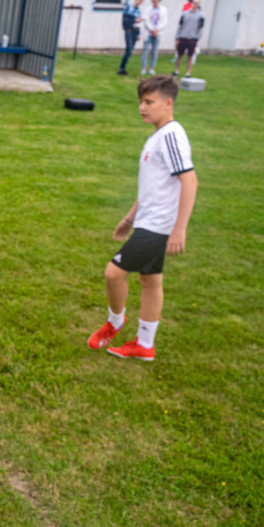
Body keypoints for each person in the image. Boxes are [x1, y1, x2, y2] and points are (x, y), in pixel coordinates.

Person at [87, 76, 198, 361]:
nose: (142, 107)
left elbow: (190, 181)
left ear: (168, 102)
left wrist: (179, 229)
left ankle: (115, 322)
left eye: (149, 102)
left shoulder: (171, 134)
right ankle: (144, 344)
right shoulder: (157, 135)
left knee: (114, 273)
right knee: (151, 282)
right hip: (148, 221)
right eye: (141, 101)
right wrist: (129, 218)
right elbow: (153, 186)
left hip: (158, 226)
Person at [172, 0, 205, 78]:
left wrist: (197, 38)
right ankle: (176, 71)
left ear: (199, 4)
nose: (195, 4)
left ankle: (188, 73)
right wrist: (177, 37)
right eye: (194, 3)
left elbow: (200, 28)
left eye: (197, 3)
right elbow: (180, 26)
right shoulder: (185, 14)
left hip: (192, 39)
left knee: (190, 56)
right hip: (183, 37)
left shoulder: (201, 16)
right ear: (192, 3)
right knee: (179, 55)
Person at [140, 0, 168, 76]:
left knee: (154, 52)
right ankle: (144, 68)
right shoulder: (148, 9)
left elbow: (164, 22)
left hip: (157, 34)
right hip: (148, 33)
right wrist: (151, 30)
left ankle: (152, 68)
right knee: (145, 51)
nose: (154, 2)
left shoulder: (163, 10)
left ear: (159, 0)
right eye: (153, 1)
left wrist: (157, 30)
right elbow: (146, 20)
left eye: (156, 1)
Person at [117, 0, 144, 76]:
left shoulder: (138, 10)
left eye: (142, 1)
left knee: (130, 51)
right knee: (128, 50)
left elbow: (139, 23)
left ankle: (123, 68)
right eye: (140, 0)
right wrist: (134, 20)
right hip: (129, 31)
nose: (140, 2)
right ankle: (121, 68)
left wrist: (139, 34)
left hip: (135, 32)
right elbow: (125, 21)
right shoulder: (129, 7)